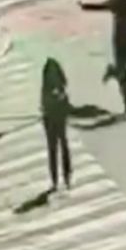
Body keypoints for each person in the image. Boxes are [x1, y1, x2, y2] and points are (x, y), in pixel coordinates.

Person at [78, 0, 126, 115]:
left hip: (123, 41)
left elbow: (99, 6)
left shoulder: (117, 3)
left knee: (125, 73)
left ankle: (113, 72)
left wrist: (84, 6)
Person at [41, 58, 72, 191]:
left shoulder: (52, 88)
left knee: (56, 149)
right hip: (54, 121)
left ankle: (61, 177)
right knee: (59, 148)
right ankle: (62, 177)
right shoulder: (52, 89)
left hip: (54, 121)